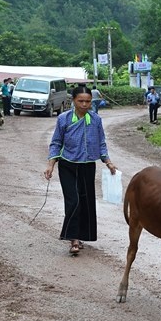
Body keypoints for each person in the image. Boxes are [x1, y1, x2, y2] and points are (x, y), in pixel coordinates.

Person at [43, 86, 118, 255]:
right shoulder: (64, 119)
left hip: (88, 165)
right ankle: (73, 238)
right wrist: (51, 164)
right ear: (73, 101)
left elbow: (101, 143)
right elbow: (56, 143)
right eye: (81, 101)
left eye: (88, 101)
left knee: (86, 202)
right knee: (73, 201)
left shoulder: (96, 119)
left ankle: (81, 235)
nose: (85, 104)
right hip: (68, 165)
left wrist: (108, 162)